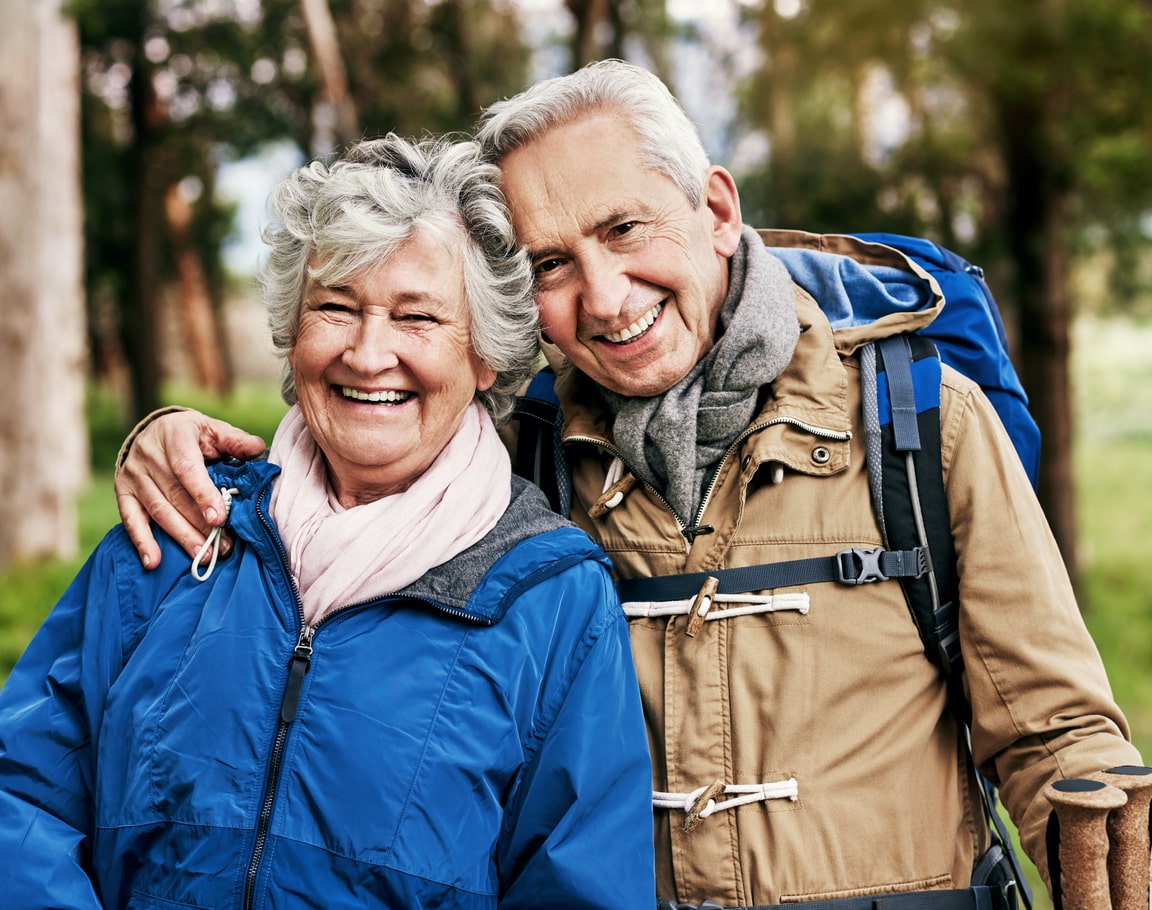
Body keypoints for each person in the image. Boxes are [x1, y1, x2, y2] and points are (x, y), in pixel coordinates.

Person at [111, 62, 1144, 908]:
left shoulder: (920, 421)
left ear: (716, 209)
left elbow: (1055, 729)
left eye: (624, 230)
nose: (603, 299)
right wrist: (168, 443)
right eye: (551, 262)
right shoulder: (509, 454)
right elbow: (355, 423)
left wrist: (1097, 827)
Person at [0, 134, 657, 909]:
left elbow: (580, 890)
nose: (369, 353)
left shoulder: (551, 601)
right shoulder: (178, 526)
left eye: (417, 317)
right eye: (337, 308)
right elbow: (23, 797)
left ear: (486, 354)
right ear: (292, 330)